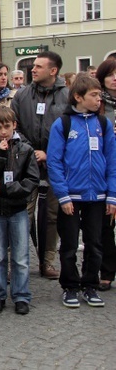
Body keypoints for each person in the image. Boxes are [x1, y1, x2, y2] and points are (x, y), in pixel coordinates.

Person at [47, 75, 116, 308]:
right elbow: (54, 162)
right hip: (71, 197)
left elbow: (112, 162)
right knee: (68, 244)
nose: (99, 99)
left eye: (99, 95)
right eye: (94, 95)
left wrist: (112, 195)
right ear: (78, 97)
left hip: (97, 196)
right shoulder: (63, 125)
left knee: (95, 243)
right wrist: (63, 195)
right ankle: (70, 286)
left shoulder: (104, 124)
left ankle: (90, 285)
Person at [11, 51, 69, 280]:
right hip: (27, 163)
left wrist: (50, 154)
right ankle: (18, 262)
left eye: (38, 66)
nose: (33, 69)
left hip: (55, 165)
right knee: (24, 214)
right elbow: (14, 126)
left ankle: (47, 262)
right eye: (33, 66)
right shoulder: (22, 95)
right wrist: (29, 151)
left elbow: (69, 132)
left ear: (53, 71)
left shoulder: (67, 96)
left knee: (52, 216)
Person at [0, 107, 40, 315]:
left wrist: (9, 189)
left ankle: (21, 295)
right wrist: (0, 155)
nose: (3, 131)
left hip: (17, 208)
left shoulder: (26, 149)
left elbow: (32, 179)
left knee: (21, 256)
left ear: (14, 125)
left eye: (7, 126)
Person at [96, 58, 116, 291]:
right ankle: (107, 270)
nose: (114, 78)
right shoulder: (99, 105)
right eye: (110, 74)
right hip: (103, 169)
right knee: (105, 225)